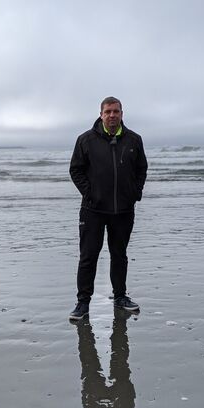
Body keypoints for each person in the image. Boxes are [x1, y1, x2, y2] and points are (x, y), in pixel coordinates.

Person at [69, 96, 148, 320]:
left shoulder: (134, 140)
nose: (112, 115)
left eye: (116, 111)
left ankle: (120, 297)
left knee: (119, 255)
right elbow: (75, 170)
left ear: (122, 113)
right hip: (92, 210)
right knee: (88, 256)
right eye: (108, 112)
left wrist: (135, 193)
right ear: (101, 114)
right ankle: (83, 303)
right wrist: (90, 193)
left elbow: (141, 169)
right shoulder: (85, 140)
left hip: (123, 210)